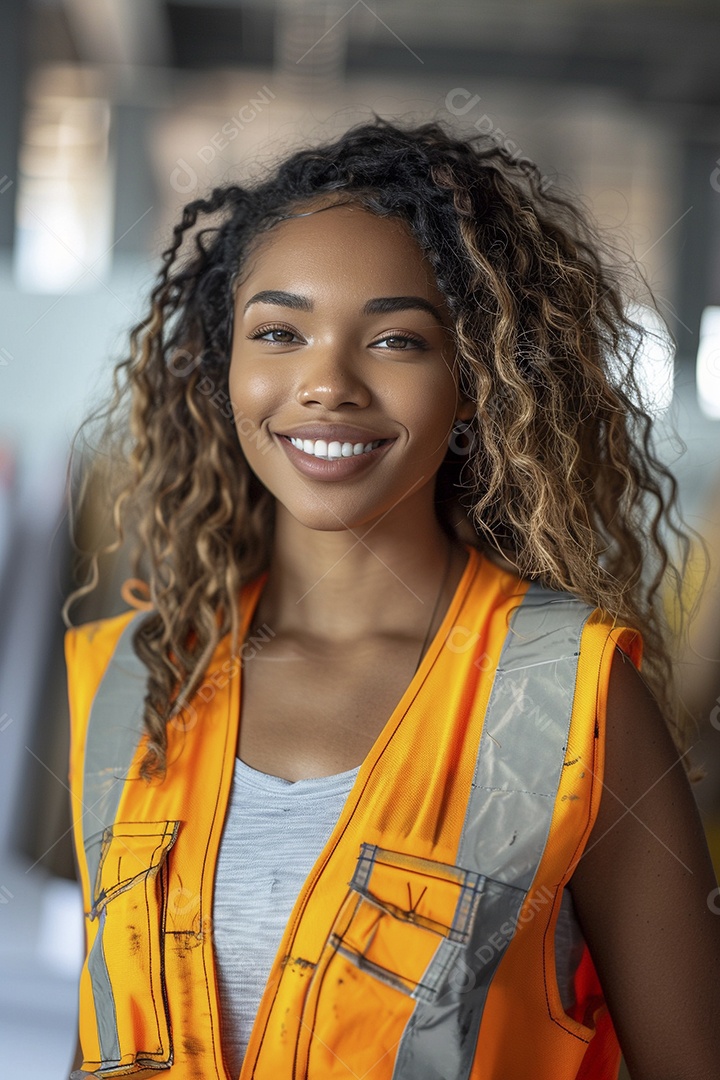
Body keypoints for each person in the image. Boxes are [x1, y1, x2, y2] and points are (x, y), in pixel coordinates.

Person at [63, 119, 720, 1080]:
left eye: (396, 339)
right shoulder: (134, 676)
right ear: (223, 363)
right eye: (279, 333)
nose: (326, 383)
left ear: (474, 383)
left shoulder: (573, 696)